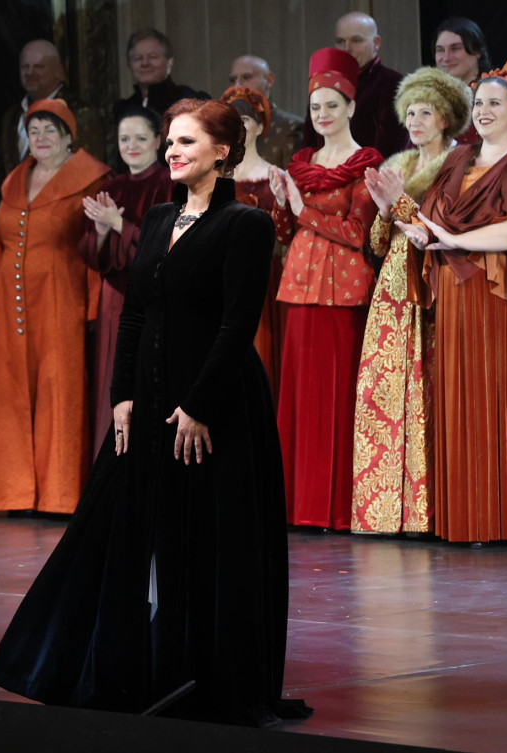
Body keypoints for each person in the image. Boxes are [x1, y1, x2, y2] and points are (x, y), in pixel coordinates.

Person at [0, 98, 311, 728]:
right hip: (150, 398)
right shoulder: (161, 216)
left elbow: (237, 324)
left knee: (213, 543)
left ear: (223, 151)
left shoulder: (245, 224)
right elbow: (137, 312)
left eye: (186, 141)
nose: (172, 151)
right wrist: (122, 396)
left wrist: (200, 405)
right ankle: (118, 672)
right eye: (170, 141)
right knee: (115, 531)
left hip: (217, 405)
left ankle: (217, 683)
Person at [398, 58, 507, 543]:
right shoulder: (458, 158)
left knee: (500, 395)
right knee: (459, 400)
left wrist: (455, 240)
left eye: (494, 104)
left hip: (497, 293)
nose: (483, 111)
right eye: (479, 102)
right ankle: (466, 520)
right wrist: (421, 233)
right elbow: (433, 220)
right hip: (455, 292)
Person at [0, 99, 110, 513]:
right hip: (10, 306)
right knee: (6, 392)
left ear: (67, 137)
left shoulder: (89, 179)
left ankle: (59, 495)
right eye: (34, 131)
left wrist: (93, 307)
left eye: (50, 131)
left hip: (61, 298)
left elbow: (96, 243)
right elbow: (0, 245)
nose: (41, 138)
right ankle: (7, 492)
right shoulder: (14, 181)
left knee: (58, 390)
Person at [351, 67, 473, 535]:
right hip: (392, 288)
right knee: (382, 393)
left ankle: (426, 511)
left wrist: (400, 204)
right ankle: (383, 513)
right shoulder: (397, 166)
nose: (415, 121)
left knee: (427, 390)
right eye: (411, 113)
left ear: (445, 117)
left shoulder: (460, 164)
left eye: (425, 112)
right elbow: (378, 243)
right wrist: (385, 211)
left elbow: (444, 226)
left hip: (433, 281)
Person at [269, 49, 383, 530]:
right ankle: (297, 506)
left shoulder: (366, 164)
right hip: (299, 287)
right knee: (299, 399)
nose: (322, 115)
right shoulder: (301, 164)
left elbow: (358, 233)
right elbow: (284, 233)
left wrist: (302, 211)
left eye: (332, 105)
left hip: (344, 292)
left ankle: (335, 508)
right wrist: (282, 205)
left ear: (351, 107)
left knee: (338, 398)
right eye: (315, 107)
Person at [79, 106, 172, 451]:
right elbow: (91, 254)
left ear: (158, 141)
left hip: (152, 301)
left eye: (140, 138)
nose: (131, 146)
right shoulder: (111, 187)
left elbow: (167, 248)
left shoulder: (170, 184)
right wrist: (102, 233)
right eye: (124, 139)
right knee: (113, 380)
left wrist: (119, 224)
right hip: (114, 301)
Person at [220, 86, 284, 402]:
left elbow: (285, 236)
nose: (238, 126)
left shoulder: (275, 176)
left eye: (244, 119)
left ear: (259, 126)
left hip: (261, 277)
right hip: (218, 278)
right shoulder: (213, 176)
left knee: (256, 350)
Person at [0, 40, 106, 175]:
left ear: (58, 71)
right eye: (25, 67)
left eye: (38, 66)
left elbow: (89, 173)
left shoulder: (80, 114)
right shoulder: (11, 117)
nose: (30, 72)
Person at [334, 11, 409, 157]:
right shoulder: (327, 84)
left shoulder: (394, 84)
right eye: (340, 41)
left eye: (356, 40)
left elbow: (388, 154)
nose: (346, 48)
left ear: (376, 43)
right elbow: (311, 144)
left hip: (371, 170)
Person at [112, 29, 209, 122]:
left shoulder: (191, 101)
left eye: (153, 57)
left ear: (169, 62)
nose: (145, 63)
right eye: (138, 58)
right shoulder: (124, 109)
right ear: (129, 65)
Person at [227, 55, 303, 168]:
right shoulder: (224, 128)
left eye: (246, 77)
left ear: (269, 80)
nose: (237, 86)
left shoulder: (291, 127)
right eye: (233, 80)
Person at [434, 17, 491, 146]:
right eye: (440, 50)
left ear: (477, 51)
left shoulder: (496, 93)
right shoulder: (429, 98)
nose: (446, 58)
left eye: (455, 48)